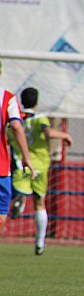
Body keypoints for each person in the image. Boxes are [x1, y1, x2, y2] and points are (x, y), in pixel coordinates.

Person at [8, 87, 73, 256]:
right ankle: (39, 243)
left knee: (17, 191)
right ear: (36, 102)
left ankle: (19, 199)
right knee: (39, 202)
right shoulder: (40, 119)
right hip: (40, 166)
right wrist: (65, 136)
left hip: (21, 163)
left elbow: (8, 137)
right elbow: (48, 132)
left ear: (22, 101)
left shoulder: (15, 119)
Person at [0, 61, 36, 235]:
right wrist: (26, 157)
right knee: (1, 216)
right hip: (1, 168)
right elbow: (16, 125)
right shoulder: (7, 98)